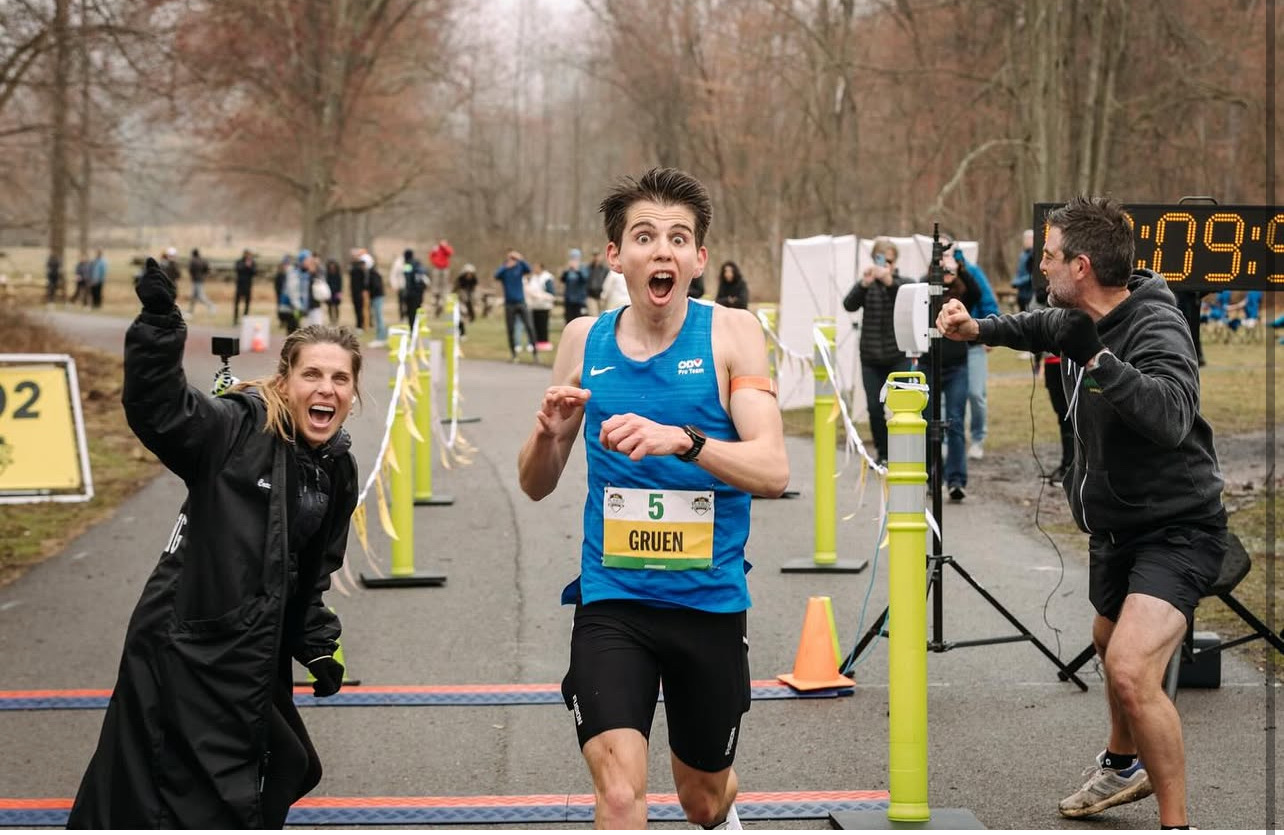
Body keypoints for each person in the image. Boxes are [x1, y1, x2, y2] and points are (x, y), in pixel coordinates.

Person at [936, 195, 1226, 830]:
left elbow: (1173, 417)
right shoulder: (1075, 314)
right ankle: (1121, 766)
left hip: (1179, 527)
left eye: (1049, 256)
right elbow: (1037, 327)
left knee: (1129, 669)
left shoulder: (1156, 325)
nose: (1041, 266)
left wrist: (1099, 361)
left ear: (1083, 266)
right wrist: (975, 329)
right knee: (1105, 639)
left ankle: (1178, 824)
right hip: (1116, 529)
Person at [517, 167, 788, 830]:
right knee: (617, 796)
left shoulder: (731, 334)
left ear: (699, 257)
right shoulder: (585, 339)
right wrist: (548, 436)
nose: (661, 250)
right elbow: (536, 481)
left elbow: (774, 469)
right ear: (617, 256)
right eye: (644, 236)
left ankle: (723, 811)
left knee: (701, 797)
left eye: (678, 237)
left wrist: (685, 441)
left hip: (708, 602)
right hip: (614, 602)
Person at [67, 258, 361, 829]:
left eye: (340, 378)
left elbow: (309, 571)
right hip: (187, 647)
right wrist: (158, 324)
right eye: (312, 375)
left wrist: (319, 642)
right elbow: (161, 411)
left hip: (253, 651)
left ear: (353, 391)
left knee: (283, 770)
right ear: (285, 381)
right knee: (169, 792)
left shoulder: (335, 468)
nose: (326, 388)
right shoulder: (235, 430)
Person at [842, 238, 912, 465]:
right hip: (871, 357)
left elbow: (905, 302)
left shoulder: (902, 283)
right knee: (874, 407)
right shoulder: (867, 284)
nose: (884, 265)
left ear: (895, 262)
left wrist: (889, 281)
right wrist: (864, 284)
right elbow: (849, 305)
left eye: (888, 261)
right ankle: (883, 453)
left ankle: (902, 452)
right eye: (880, 260)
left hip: (897, 356)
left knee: (902, 407)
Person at [925, 244, 978, 501]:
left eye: (948, 259)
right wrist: (935, 274)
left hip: (956, 365)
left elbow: (976, 293)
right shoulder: (926, 287)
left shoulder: (962, 290)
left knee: (955, 421)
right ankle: (930, 474)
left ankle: (956, 480)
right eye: (941, 259)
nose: (945, 266)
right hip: (929, 364)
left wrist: (960, 267)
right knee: (927, 421)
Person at [954, 245, 997, 461]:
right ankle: (950, 441)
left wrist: (988, 332)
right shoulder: (932, 276)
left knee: (976, 394)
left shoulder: (972, 272)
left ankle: (978, 438)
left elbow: (986, 299)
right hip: (950, 349)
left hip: (973, 344)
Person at [494, 248, 538, 362]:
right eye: (510, 257)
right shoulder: (504, 270)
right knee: (511, 329)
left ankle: (535, 353)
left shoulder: (520, 267)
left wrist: (520, 259)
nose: (512, 259)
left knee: (530, 327)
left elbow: (529, 269)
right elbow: (496, 275)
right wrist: (505, 265)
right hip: (509, 304)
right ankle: (513, 354)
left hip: (521, 302)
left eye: (513, 257)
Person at [525, 261, 556, 351]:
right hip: (535, 306)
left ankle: (544, 343)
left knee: (543, 325)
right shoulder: (533, 278)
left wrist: (540, 296)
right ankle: (535, 342)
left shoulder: (547, 278)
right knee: (535, 325)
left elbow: (551, 293)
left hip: (544, 306)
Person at [365, 253, 387, 347]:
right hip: (375, 297)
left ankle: (381, 338)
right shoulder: (370, 272)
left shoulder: (373, 273)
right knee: (377, 317)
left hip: (377, 297)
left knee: (379, 317)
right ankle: (380, 337)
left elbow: (376, 286)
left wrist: (370, 293)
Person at [561, 249, 589, 323]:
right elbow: (562, 280)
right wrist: (566, 271)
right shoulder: (568, 269)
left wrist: (577, 270)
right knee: (569, 320)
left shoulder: (583, 267)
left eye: (575, 257)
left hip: (579, 300)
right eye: (572, 257)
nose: (574, 259)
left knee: (579, 320)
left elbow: (585, 279)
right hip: (569, 300)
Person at [188, 248, 216, 316]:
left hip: (196, 281)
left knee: (200, 297)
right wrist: (204, 276)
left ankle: (211, 306)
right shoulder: (203, 260)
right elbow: (208, 269)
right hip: (200, 280)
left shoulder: (193, 261)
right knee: (193, 297)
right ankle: (190, 311)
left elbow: (190, 270)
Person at [1013, 228, 1035, 313]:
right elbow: (1019, 272)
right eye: (1025, 239)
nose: (1026, 241)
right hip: (1021, 295)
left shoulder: (1034, 255)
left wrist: (1018, 282)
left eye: (1028, 239)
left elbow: (1033, 276)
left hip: (1030, 295)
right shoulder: (1022, 255)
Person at [429, 238, 454, 313]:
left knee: (444, 283)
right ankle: (435, 295)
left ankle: (443, 296)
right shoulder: (436, 248)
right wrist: (434, 262)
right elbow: (431, 256)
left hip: (445, 268)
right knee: (436, 282)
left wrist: (445, 247)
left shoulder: (447, 248)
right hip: (437, 267)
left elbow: (450, 253)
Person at [233, 249, 257, 325]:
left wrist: (249, 266)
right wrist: (245, 265)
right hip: (239, 286)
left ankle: (245, 319)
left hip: (248, 286)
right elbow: (237, 269)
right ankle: (235, 320)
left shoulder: (252, 263)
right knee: (236, 304)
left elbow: (255, 272)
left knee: (247, 304)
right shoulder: (239, 262)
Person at [455, 263, 479, 335]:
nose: (469, 276)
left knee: (469, 315)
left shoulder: (473, 281)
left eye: (470, 274)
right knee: (461, 316)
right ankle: (461, 332)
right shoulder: (460, 281)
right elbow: (455, 290)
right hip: (461, 300)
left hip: (469, 301)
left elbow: (474, 292)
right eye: (467, 274)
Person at [584, 250, 609, 315]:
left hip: (602, 296)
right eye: (594, 256)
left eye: (597, 255)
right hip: (591, 296)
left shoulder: (605, 269)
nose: (596, 257)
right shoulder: (588, 268)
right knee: (593, 316)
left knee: (603, 315)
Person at [324, 258, 344, 325]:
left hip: (336, 292)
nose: (332, 266)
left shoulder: (338, 274)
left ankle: (336, 319)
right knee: (329, 307)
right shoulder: (327, 274)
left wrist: (340, 292)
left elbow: (340, 283)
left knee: (336, 306)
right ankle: (331, 319)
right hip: (328, 292)